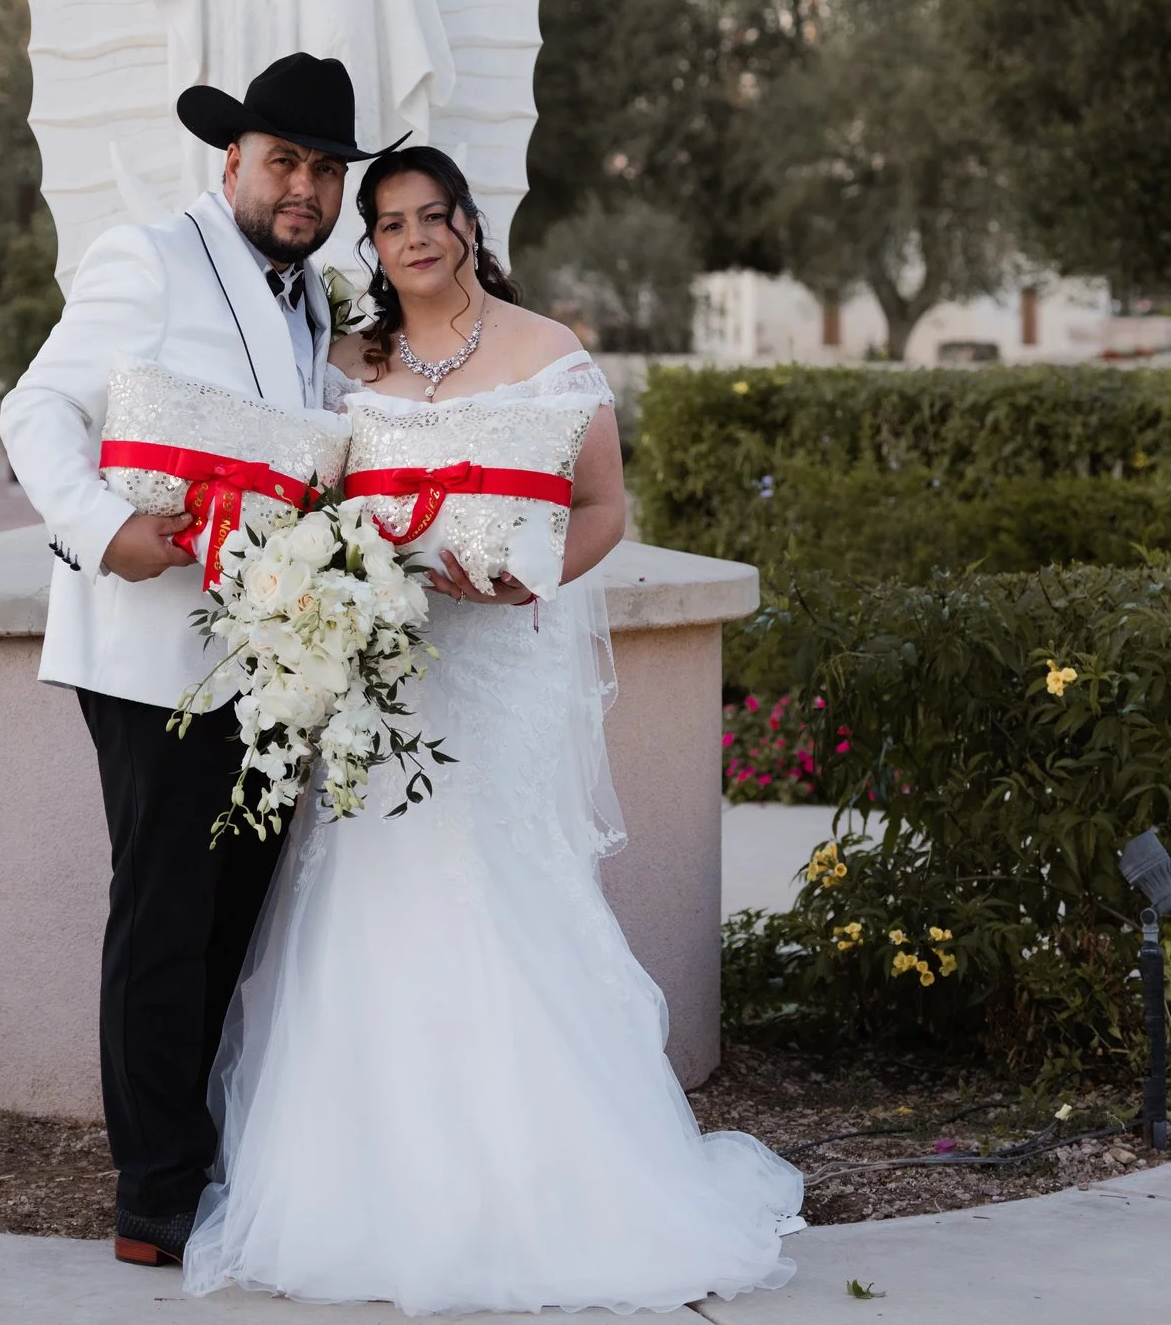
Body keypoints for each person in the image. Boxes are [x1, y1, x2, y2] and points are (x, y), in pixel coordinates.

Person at [181, 145, 807, 1314]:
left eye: (434, 215)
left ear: (468, 224)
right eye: (391, 222)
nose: (415, 237)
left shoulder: (546, 350)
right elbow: (309, 500)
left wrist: (536, 579)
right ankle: (367, 1188)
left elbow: (605, 504)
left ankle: (546, 1187)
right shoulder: (345, 362)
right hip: (389, 676)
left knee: (502, 886)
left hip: (501, 675)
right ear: (369, 245)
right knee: (372, 891)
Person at [0, 51, 397, 1267]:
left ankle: (199, 1149)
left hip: (270, 663)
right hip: (148, 655)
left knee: (232, 917)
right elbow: (35, 408)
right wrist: (103, 529)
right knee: (165, 916)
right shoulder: (149, 257)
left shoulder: (311, 296)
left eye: (325, 171)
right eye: (284, 161)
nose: (304, 188)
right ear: (233, 159)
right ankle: (153, 1194)